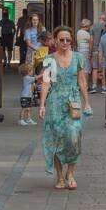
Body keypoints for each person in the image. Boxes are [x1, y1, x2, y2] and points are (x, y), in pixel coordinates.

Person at [38, 26, 91, 190]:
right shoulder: (50, 59)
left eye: (68, 40)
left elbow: (82, 81)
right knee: (56, 140)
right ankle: (60, 177)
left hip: (73, 103)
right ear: (55, 41)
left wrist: (87, 102)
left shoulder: (78, 58)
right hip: (54, 103)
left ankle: (71, 173)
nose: (65, 42)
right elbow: (46, 82)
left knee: (73, 137)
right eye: (62, 40)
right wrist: (42, 105)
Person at [91, 12, 106, 93]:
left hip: (95, 49)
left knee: (94, 68)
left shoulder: (93, 26)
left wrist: (90, 51)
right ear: (105, 20)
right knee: (103, 68)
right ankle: (104, 87)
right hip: (104, 51)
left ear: (99, 19)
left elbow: (91, 40)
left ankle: (94, 86)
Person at [75, 19, 93, 84]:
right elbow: (91, 43)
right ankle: (85, 84)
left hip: (79, 50)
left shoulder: (78, 32)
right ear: (87, 26)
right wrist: (90, 53)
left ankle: (80, 84)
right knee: (86, 68)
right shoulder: (87, 34)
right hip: (86, 51)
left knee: (80, 68)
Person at [18, 61, 35, 126]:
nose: (32, 72)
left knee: (29, 108)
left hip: (28, 96)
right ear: (27, 72)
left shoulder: (28, 78)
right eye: (31, 71)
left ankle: (29, 119)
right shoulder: (27, 78)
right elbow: (36, 78)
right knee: (24, 108)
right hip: (25, 96)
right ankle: (21, 120)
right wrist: (42, 74)